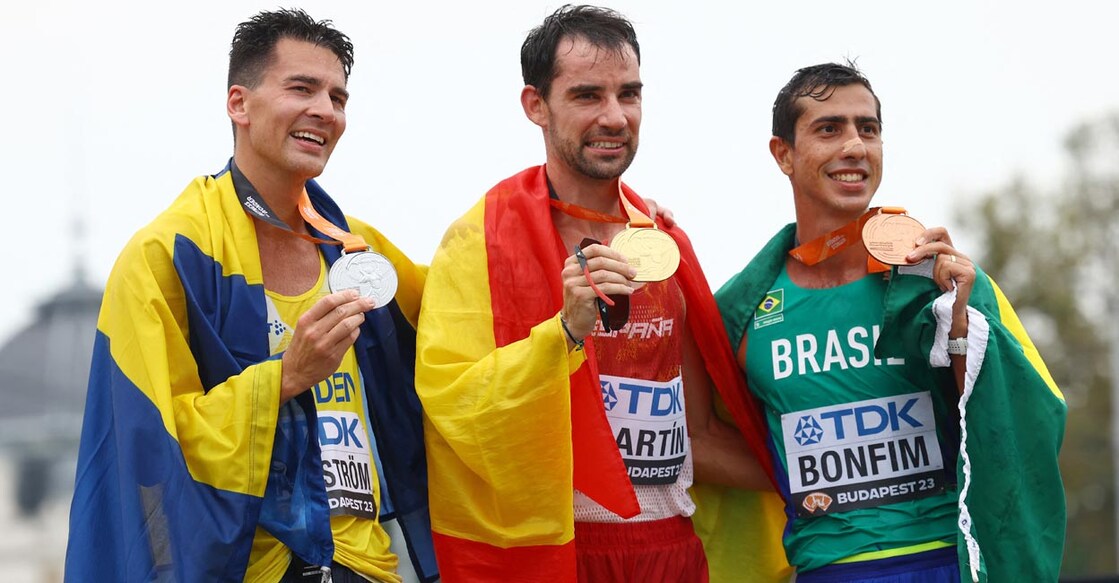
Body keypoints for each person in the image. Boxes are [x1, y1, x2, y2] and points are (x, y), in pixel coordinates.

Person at [414, 5, 787, 582]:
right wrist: (562, 332)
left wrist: (831, 477)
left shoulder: (666, 244)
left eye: (629, 94)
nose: (615, 117)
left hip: (669, 552)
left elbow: (696, 435)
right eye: (588, 95)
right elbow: (452, 403)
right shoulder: (479, 239)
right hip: (557, 555)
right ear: (536, 105)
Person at [64, 9, 438, 582]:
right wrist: (285, 376)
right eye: (302, 88)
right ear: (239, 103)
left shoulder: (360, 252)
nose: (325, 110)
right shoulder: (166, 256)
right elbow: (150, 447)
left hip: (369, 566)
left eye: (338, 97)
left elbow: (462, 339)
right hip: (252, 569)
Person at [714, 62, 1067, 582]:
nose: (855, 146)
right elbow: (697, 438)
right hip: (828, 567)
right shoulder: (741, 310)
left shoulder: (941, 282)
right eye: (829, 128)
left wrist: (964, 324)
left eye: (869, 129)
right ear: (782, 153)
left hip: (949, 559)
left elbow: (1020, 418)